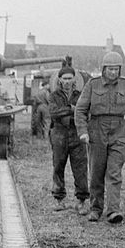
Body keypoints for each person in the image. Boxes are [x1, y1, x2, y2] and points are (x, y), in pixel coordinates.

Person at [75, 51, 125, 223]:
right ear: (103, 69)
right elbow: (80, 110)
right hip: (97, 130)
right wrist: (83, 131)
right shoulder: (92, 85)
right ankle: (96, 208)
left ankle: (113, 211)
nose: (113, 73)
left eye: (116, 69)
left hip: (119, 130)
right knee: (96, 171)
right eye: (110, 69)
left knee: (114, 172)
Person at [48, 66, 89, 214]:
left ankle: (81, 201)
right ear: (59, 80)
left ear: (74, 79)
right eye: (64, 78)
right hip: (59, 133)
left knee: (80, 167)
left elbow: (85, 112)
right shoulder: (54, 96)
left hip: (76, 133)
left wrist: (69, 110)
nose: (67, 81)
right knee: (58, 165)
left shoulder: (81, 95)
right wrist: (72, 109)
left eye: (69, 78)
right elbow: (53, 112)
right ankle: (59, 199)